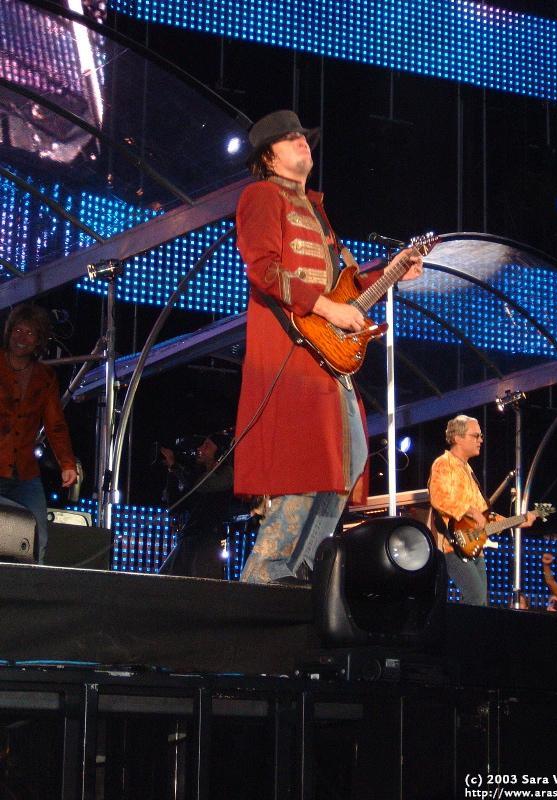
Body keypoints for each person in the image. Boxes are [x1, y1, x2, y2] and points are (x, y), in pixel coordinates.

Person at [233, 109, 423, 585]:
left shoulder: (317, 211)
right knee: (304, 466)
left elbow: (346, 284)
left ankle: (298, 569)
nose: (303, 142)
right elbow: (263, 269)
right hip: (291, 351)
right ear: (268, 157)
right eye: (290, 138)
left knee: (346, 462)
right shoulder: (261, 195)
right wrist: (327, 309)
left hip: (325, 355)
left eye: (303, 136)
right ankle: (264, 574)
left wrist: (392, 271)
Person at [428, 414, 535, 606]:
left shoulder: (468, 471)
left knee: (480, 603)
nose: (480, 440)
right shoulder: (443, 464)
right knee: (475, 599)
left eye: (481, 436)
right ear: (457, 438)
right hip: (453, 546)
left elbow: (486, 517)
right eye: (475, 436)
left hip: (474, 547)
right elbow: (439, 498)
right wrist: (470, 511)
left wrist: (518, 520)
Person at [0, 304, 76, 562]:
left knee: (37, 537)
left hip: (24, 473)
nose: (21, 338)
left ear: (39, 340)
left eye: (29, 333)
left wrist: (67, 464)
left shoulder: (45, 377)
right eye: (18, 330)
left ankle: (32, 585)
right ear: (9, 332)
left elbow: (55, 424)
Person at [159, 433, 239, 579]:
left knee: (202, 585)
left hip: (208, 540)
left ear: (220, 453)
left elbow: (202, 485)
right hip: (189, 537)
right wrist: (171, 471)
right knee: (165, 580)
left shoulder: (227, 474)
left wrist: (176, 467)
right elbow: (176, 505)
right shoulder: (198, 473)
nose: (200, 449)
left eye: (207, 446)